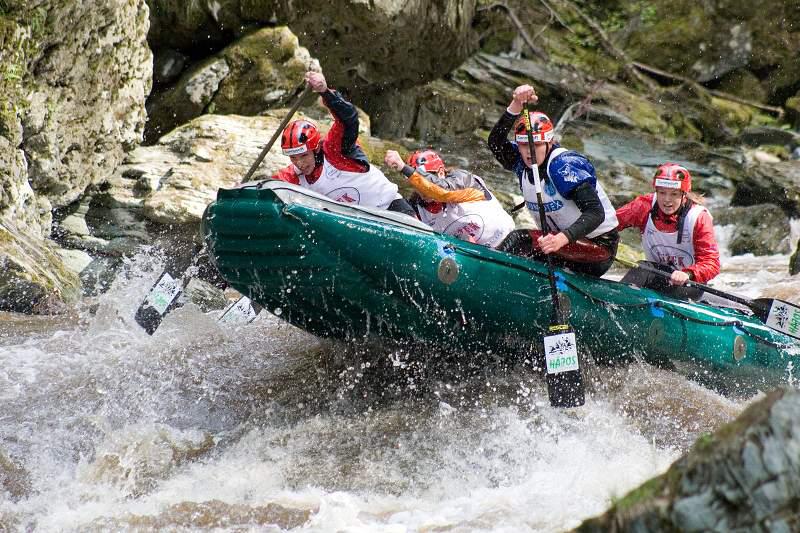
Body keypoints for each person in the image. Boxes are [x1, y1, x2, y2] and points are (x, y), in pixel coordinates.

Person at [487, 84, 619, 277]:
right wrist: (516, 104)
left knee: (521, 240)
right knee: (520, 249)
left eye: (537, 145)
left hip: (598, 248)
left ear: (549, 143)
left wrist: (563, 239)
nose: (530, 151)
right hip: (557, 243)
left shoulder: (562, 166)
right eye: (524, 145)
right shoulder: (520, 162)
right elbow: (495, 142)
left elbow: (595, 213)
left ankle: (490, 276)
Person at [272, 71, 415, 217]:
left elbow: (349, 119)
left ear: (316, 149)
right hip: (360, 224)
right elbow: (269, 189)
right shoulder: (293, 176)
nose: (299, 163)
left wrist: (325, 92)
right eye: (293, 158)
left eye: (303, 155)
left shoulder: (335, 150)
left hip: (393, 209)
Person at [615, 162, 720, 300]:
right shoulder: (644, 207)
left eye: (674, 194)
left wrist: (687, 274)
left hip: (688, 285)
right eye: (662, 193)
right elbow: (609, 224)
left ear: (684, 195)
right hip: (655, 276)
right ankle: (617, 300)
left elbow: (712, 263)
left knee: (644, 268)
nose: (667, 200)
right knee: (643, 268)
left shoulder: (699, 218)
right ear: (656, 192)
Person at [383, 148, 516, 247]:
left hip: (508, 244)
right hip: (471, 258)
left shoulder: (464, 180)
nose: (421, 188)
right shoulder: (416, 208)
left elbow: (442, 191)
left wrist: (403, 167)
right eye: (415, 182)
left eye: (427, 176)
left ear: (441, 172)